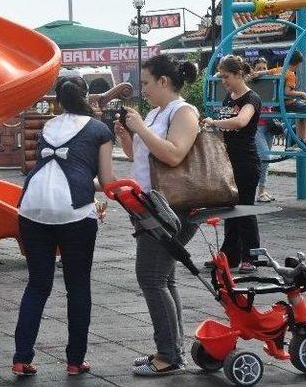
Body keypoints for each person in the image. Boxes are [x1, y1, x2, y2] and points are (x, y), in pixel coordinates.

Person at [13, 76, 116, 377]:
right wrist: (92, 188)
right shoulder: (99, 129)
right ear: (86, 96)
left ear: (57, 99)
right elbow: (107, 183)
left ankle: (21, 358)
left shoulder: (49, 125)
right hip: (74, 213)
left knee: (37, 284)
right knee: (78, 286)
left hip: (31, 206)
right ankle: (74, 361)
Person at [115, 55, 199, 376]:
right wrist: (128, 136)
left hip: (173, 209)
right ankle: (172, 349)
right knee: (164, 278)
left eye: (147, 82)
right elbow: (142, 156)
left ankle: (167, 356)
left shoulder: (183, 112)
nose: (144, 89)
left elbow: (174, 154)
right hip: (151, 205)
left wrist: (139, 128)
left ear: (164, 81)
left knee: (151, 278)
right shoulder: (154, 112)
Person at [203, 55, 261, 274]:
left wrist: (214, 121)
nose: (224, 81)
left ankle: (251, 256)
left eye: (226, 77)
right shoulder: (229, 98)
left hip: (246, 162)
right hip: (228, 162)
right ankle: (230, 256)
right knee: (229, 209)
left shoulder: (251, 98)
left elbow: (240, 122)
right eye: (221, 77)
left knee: (244, 209)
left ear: (238, 74)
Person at [253, 50, 306, 148]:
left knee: (302, 111)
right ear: (297, 64)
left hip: (277, 105)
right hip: (287, 104)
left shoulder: (278, 70)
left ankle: (302, 138)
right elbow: (287, 92)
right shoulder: (291, 74)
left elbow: (265, 72)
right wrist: (302, 93)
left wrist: (256, 74)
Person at [248, 58, 276, 202]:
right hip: (258, 125)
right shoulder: (250, 82)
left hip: (269, 125)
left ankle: (262, 191)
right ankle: (256, 191)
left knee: (266, 159)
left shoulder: (270, 81)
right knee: (264, 156)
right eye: (258, 68)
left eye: (264, 68)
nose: (261, 71)